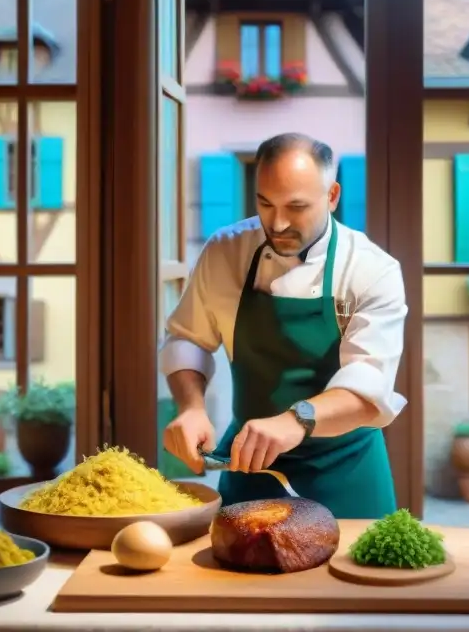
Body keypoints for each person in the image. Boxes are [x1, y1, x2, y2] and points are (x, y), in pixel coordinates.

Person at [159, 133, 407, 519]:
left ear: (332, 195)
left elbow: (368, 384)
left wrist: (297, 419)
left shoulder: (373, 270)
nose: (277, 222)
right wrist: (191, 407)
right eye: (265, 203)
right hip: (248, 465)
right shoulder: (225, 250)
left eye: (296, 206)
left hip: (347, 471)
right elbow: (187, 337)